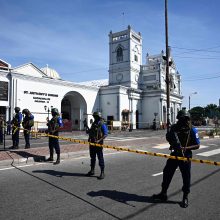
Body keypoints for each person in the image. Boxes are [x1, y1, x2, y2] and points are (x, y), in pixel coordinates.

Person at [152, 110, 200, 208]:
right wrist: (171, 140)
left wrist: (185, 148)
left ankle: (185, 197)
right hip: (175, 154)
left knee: (186, 177)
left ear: (187, 119)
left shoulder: (192, 130)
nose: (180, 121)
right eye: (179, 119)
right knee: (167, 172)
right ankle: (163, 193)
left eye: (183, 119)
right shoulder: (174, 128)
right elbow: (169, 137)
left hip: (186, 155)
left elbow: (197, 145)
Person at [86, 112, 108, 179]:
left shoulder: (102, 124)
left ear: (98, 117)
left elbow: (105, 134)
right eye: (94, 116)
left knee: (100, 157)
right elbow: (91, 132)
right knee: (92, 158)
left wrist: (99, 140)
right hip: (92, 143)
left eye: (95, 116)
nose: (94, 118)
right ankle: (92, 170)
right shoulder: (93, 123)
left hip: (99, 143)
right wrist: (89, 138)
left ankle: (102, 172)